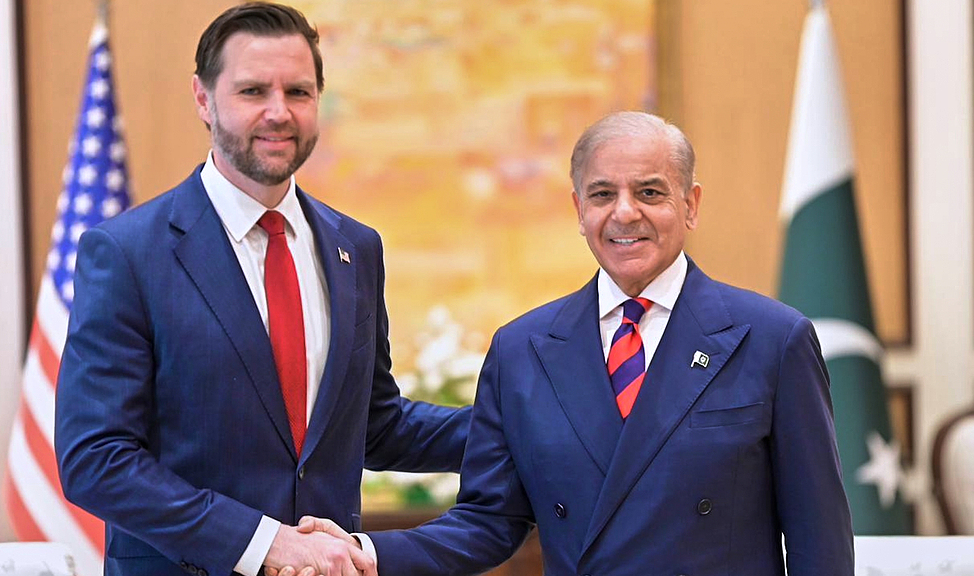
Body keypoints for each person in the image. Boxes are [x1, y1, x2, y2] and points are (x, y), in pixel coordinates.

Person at [290, 111, 854, 575]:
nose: (624, 212)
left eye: (650, 192)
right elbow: (489, 521)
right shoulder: (522, 350)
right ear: (579, 212)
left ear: (691, 205)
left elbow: (819, 542)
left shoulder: (773, 339)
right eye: (602, 194)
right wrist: (364, 553)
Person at [54, 3, 470, 576]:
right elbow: (96, 460)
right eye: (253, 91)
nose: (279, 113)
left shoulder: (357, 248)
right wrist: (263, 542)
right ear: (203, 98)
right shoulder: (128, 253)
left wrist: (527, 425)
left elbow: (373, 425)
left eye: (298, 92)